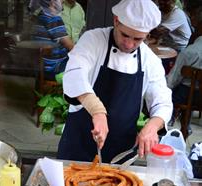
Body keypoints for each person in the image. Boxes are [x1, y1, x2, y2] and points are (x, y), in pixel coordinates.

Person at [57, 0, 173, 163]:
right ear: (116, 20)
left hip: (120, 151)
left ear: (147, 34)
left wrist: (152, 126)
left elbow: (163, 102)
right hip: (79, 142)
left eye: (137, 39)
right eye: (125, 35)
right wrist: (97, 111)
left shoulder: (149, 60)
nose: (129, 44)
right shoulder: (93, 40)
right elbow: (75, 74)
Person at [167, 4, 202, 134]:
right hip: (198, 95)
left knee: (167, 90)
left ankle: (166, 122)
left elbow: (171, 82)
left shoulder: (189, 52)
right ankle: (185, 125)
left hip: (188, 96)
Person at [29, 0, 74, 79]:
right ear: (53, 3)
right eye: (61, 2)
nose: (62, 5)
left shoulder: (40, 16)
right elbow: (70, 46)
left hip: (41, 66)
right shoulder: (53, 19)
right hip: (54, 68)